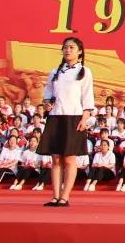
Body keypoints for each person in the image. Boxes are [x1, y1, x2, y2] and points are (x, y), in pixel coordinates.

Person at [36, 37, 95, 208]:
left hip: (74, 117)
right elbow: (48, 92)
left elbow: (87, 97)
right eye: (65, 47)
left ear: (80, 52)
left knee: (69, 159)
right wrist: (47, 103)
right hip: (56, 117)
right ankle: (55, 196)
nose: (68, 50)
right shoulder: (55, 71)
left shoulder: (84, 71)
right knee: (55, 159)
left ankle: (65, 196)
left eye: (71, 47)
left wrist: (84, 119)